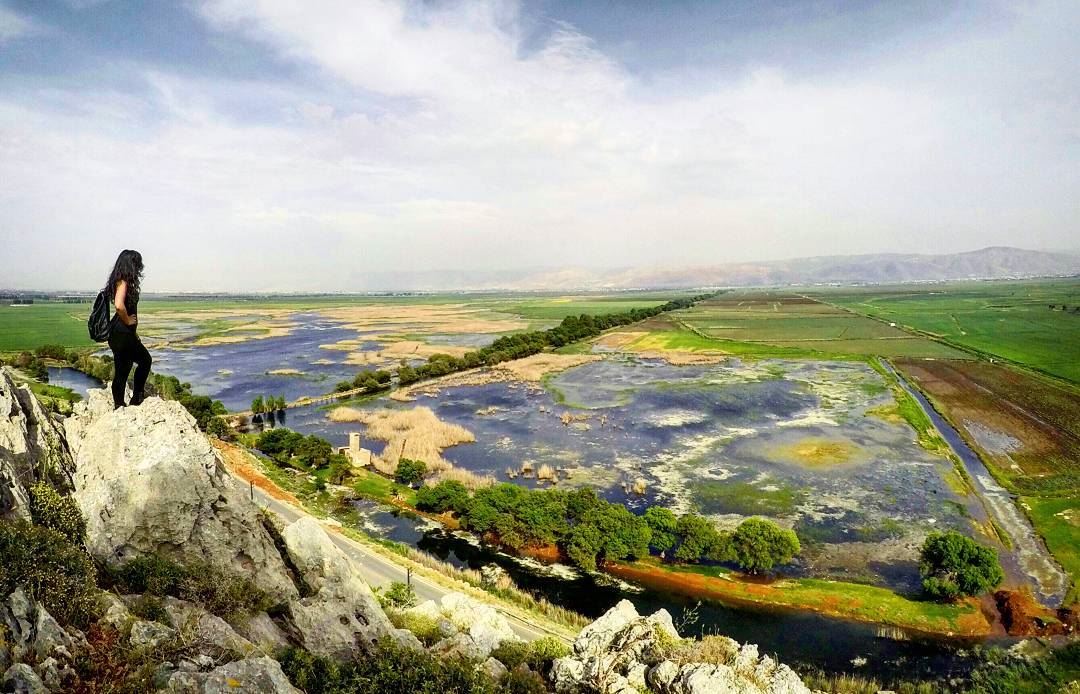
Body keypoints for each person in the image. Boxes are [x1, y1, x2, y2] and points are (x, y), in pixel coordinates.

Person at [104, 249, 151, 408]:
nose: (139, 267)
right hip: (122, 332)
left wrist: (134, 333)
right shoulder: (123, 281)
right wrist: (128, 321)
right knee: (145, 361)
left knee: (123, 370)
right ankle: (137, 398)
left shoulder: (118, 280)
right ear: (131, 264)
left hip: (120, 334)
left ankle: (119, 405)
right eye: (137, 263)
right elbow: (119, 305)